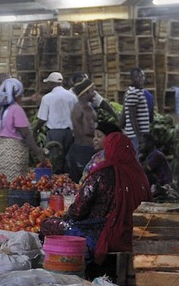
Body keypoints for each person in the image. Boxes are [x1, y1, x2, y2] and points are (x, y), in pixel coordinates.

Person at [64, 130, 152, 263]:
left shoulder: (100, 174)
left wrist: (66, 216)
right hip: (139, 233)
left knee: (50, 225)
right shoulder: (140, 174)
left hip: (104, 233)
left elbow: (77, 211)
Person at [0, 78, 48, 181]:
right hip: (12, 153)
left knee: (1, 184)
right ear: (18, 95)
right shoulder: (16, 109)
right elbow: (25, 134)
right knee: (14, 184)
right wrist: (38, 152)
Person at [37, 71, 75, 175]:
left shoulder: (47, 98)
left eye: (48, 83)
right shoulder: (72, 97)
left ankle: (55, 183)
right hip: (69, 133)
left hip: (54, 133)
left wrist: (35, 129)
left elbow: (42, 119)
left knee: (54, 161)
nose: (47, 85)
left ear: (52, 83)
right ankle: (67, 182)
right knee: (67, 161)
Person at [68, 74, 100, 179]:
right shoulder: (87, 109)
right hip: (86, 150)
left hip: (76, 148)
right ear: (85, 93)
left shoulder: (76, 107)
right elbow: (88, 130)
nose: (94, 94)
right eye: (92, 91)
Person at [121, 68, 155, 153]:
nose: (141, 79)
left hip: (141, 135)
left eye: (142, 76)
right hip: (135, 136)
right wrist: (139, 137)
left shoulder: (140, 92)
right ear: (132, 79)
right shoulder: (133, 93)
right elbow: (132, 117)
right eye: (138, 77)